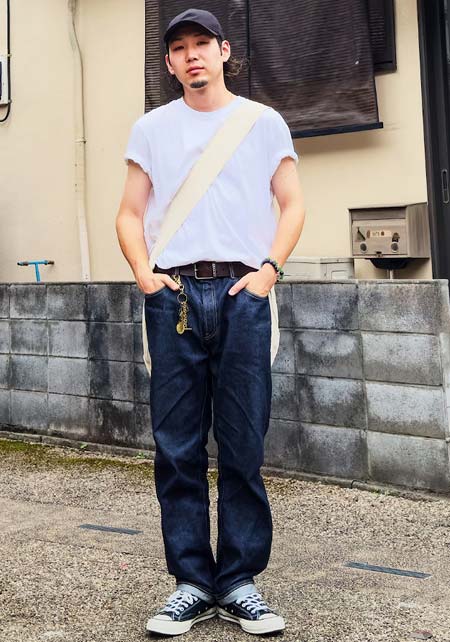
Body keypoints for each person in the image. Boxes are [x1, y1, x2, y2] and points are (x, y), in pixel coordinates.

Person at [116, 8, 305, 637]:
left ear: (224, 51)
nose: (192, 55)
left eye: (203, 43)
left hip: (243, 291)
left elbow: (292, 202)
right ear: (170, 63)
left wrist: (269, 272)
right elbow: (128, 213)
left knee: (244, 444)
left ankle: (240, 581)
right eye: (180, 48)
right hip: (173, 293)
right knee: (177, 449)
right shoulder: (151, 129)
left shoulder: (261, 121)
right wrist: (144, 274)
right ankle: (193, 583)